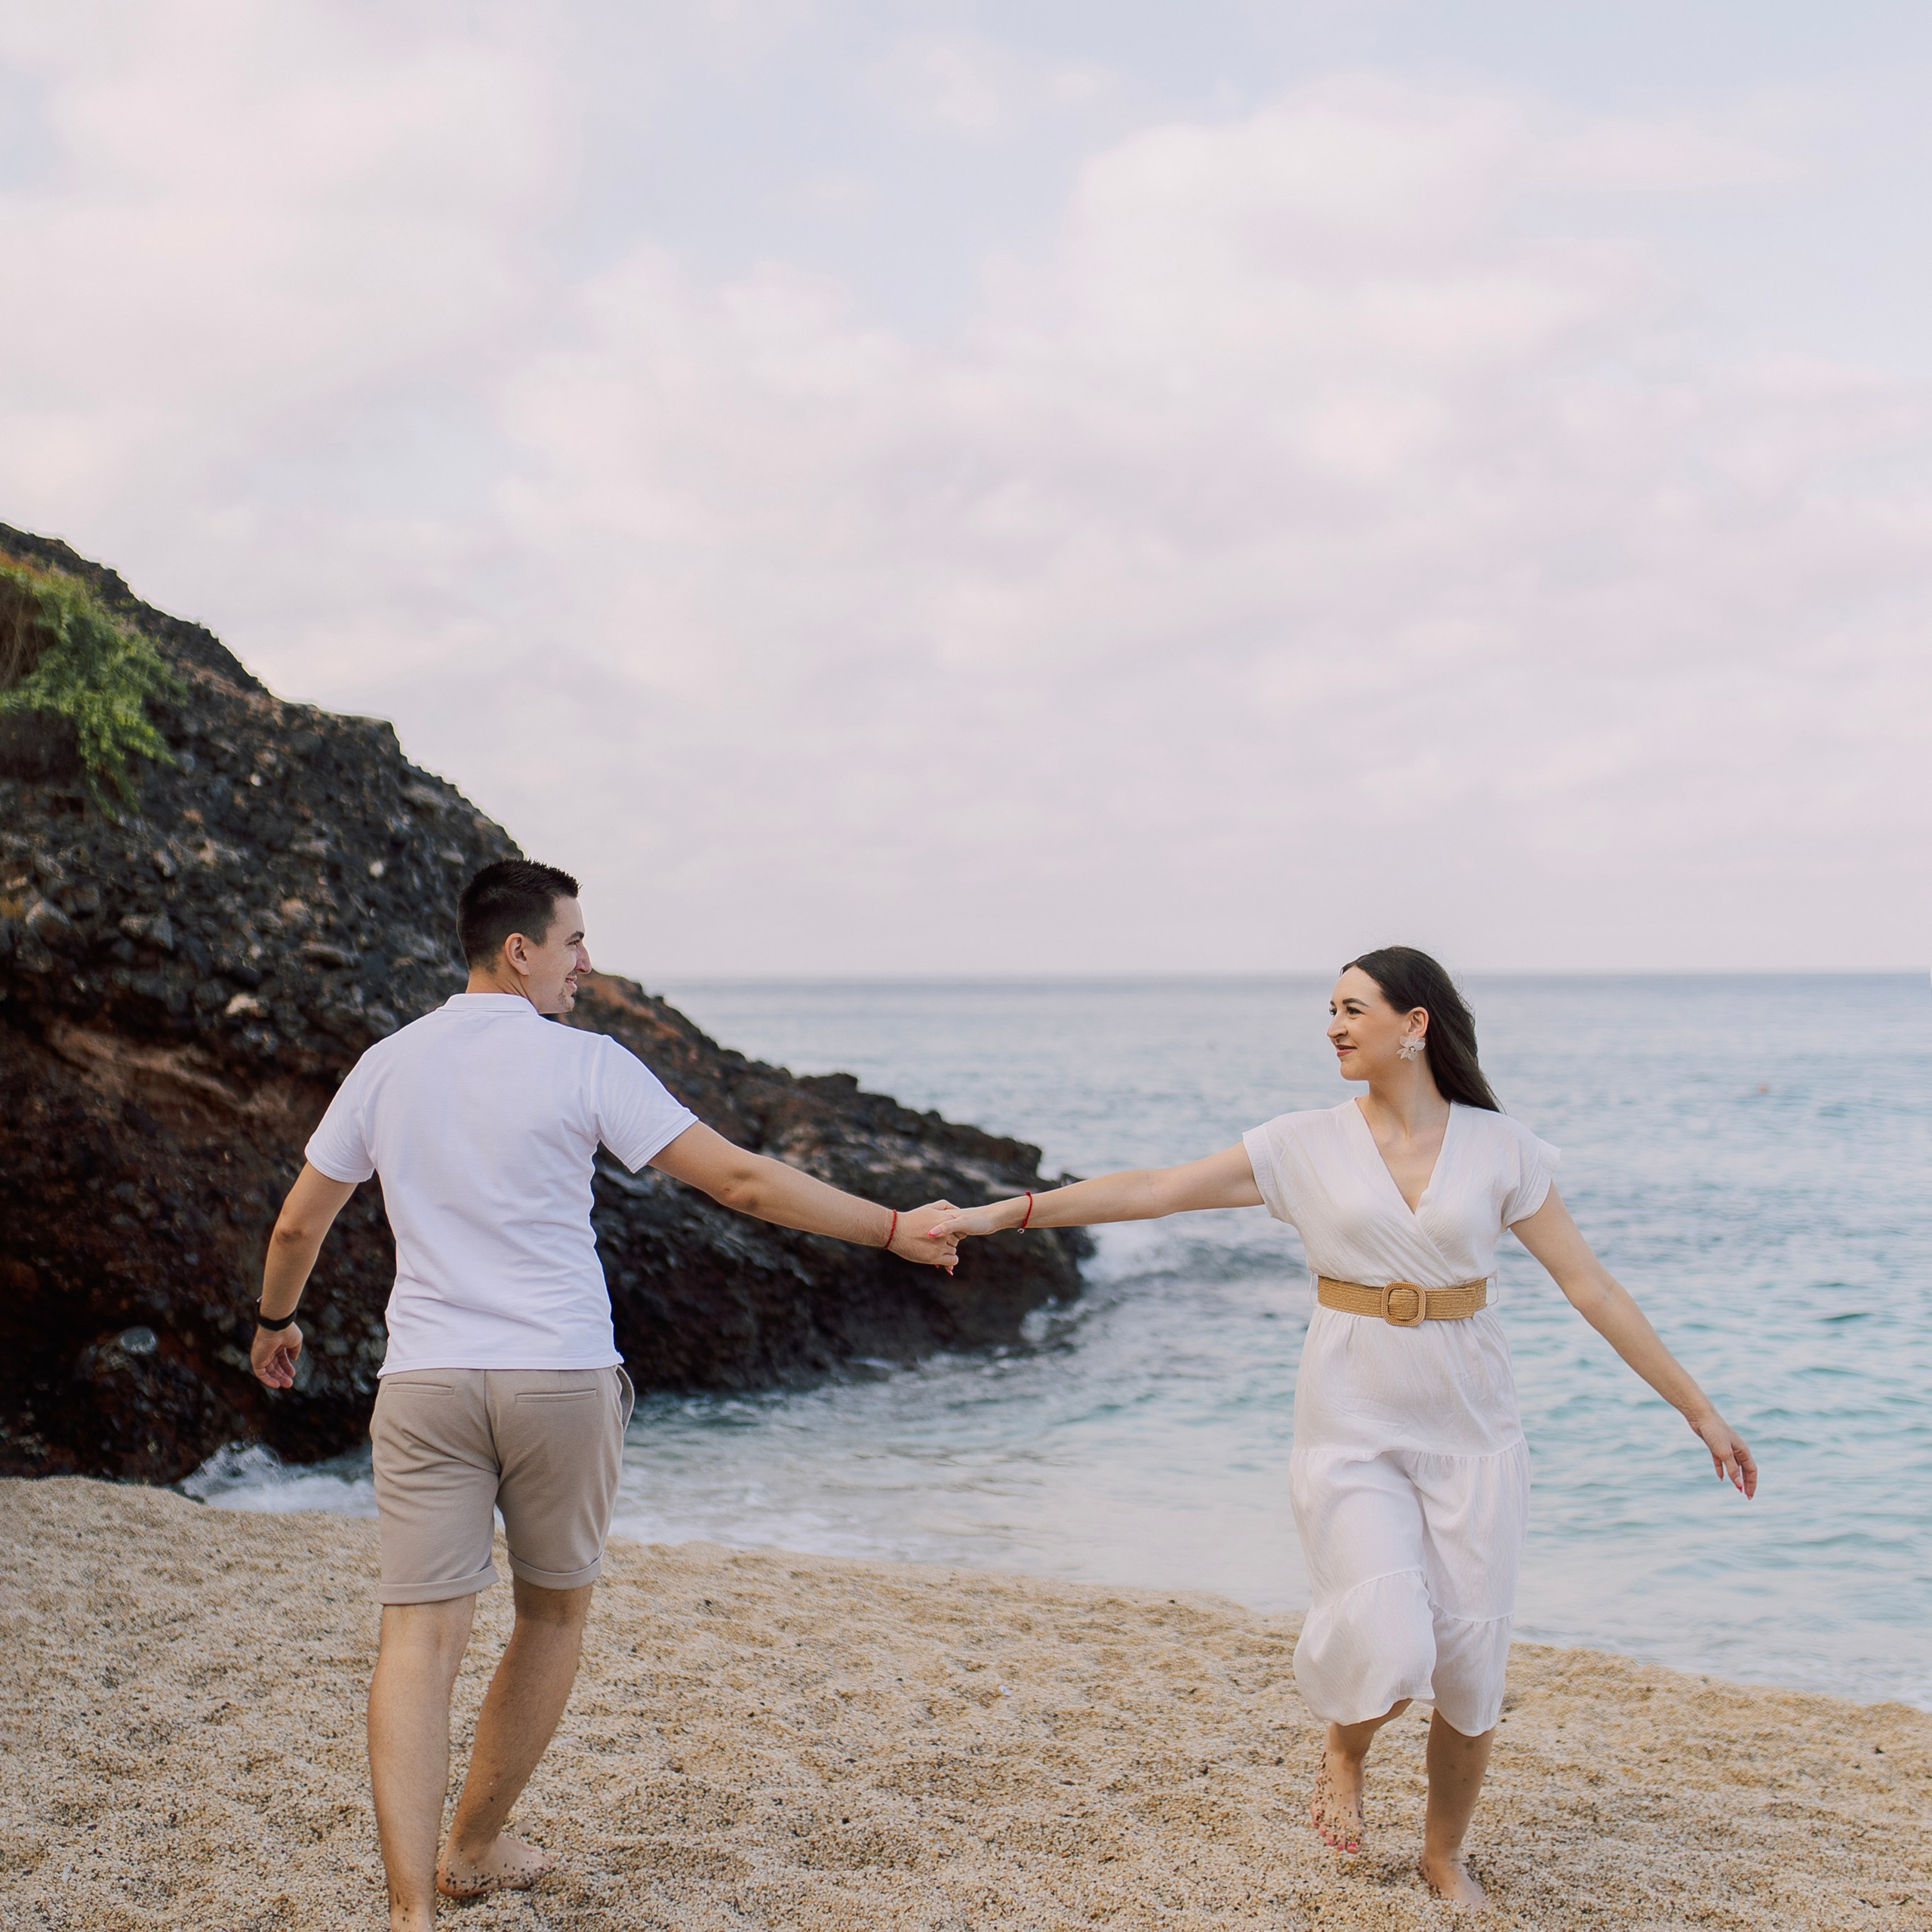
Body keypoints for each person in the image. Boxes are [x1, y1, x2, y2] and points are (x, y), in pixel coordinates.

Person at [926, 946, 1756, 1906]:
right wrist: (997, 1216)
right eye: (1329, 1008)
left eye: (1352, 1007)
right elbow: (1154, 1188)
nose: (1332, 1025)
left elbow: (1591, 1285)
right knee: (1389, 1641)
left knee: (1469, 1665)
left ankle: (1444, 1854)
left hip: (1473, 1425)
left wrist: (1698, 1409)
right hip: (1349, 1416)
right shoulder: (1300, 1143)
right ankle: (1344, 1745)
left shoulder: (1503, 1148)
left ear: (1417, 1024)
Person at [251, 859, 960, 1932]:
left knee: (417, 1638)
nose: (587, 961)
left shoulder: (387, 1065)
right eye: (574, 941)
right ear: (520, 950)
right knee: (551, 1610)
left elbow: (302, 1222)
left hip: (428, 1382)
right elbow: (743, 1182)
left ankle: (407, 1914)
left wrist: (275, 1322)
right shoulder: (583, 1063)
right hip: (559, 1380)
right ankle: (476, 1847)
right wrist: (895, 1228)